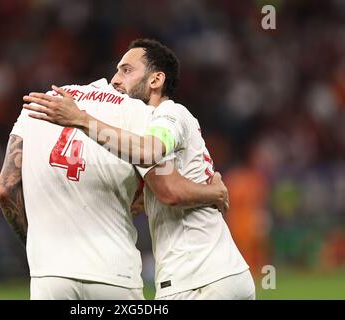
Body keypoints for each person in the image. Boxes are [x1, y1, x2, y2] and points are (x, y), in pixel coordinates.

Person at [23, 38, 255, 300]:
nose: (115, 80)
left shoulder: (169, 114)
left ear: (156, 80)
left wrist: (80, 119)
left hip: (198, 279)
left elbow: (153, 159)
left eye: (126, 70)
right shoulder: (147, 124)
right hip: (219, 273)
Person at [0, 76, 229, 299]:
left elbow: (5, 191)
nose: (119, 77)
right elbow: (167, 189)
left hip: (50, 274)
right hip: (115, 274)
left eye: (126, 70)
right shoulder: (137, 112)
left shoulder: (37, 105)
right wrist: (214, 192)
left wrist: (37, 240)